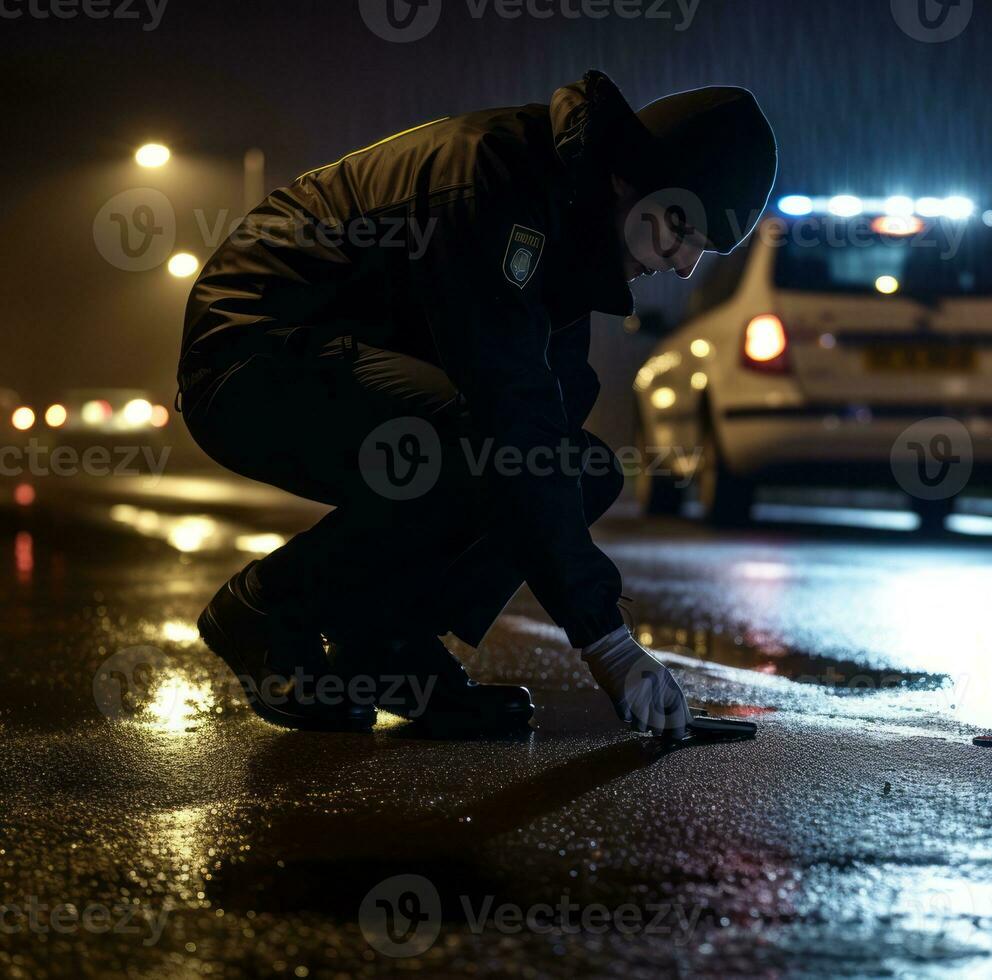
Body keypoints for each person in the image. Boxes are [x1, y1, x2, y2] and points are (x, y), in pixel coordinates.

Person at [177, 70, 777, 739]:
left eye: (702, 246)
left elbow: (545, 440)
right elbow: (508, 417)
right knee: (487, 446)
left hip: (340, 352)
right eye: (679, 225)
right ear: (627, 175)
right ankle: (264, 610)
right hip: (250, 357)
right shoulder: (495, 184)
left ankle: (384, 643)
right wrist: (605, 640)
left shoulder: (571, 229)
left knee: (578, 471)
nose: (685, 262)